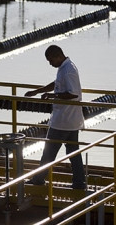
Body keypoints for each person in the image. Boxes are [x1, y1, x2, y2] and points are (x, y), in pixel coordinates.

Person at [24, 45, 86, 189]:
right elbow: (57, 84)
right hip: (70, 121)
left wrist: (52, 95)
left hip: (63, 121)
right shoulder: (65, 67)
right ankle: (79, 182)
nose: (50, 64)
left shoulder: (69, 70)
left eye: (51, 60)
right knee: (73, 153)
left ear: (58, 56)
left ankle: (38, 180)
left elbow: (73, 94)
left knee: (49, 152)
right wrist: (37, 91)